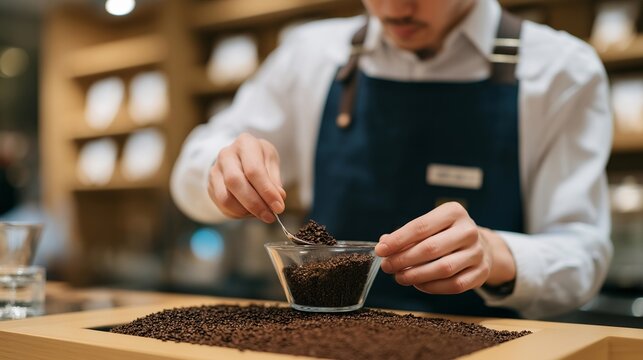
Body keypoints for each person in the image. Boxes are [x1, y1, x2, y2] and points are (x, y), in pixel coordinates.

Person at [171, 0, 613, 319]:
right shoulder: (310, 54)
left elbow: (585, 257)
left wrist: (497, 254)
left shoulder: (562, 71)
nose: (393, 8)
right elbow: (193, 168)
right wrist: (222, 169)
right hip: (320, 343)